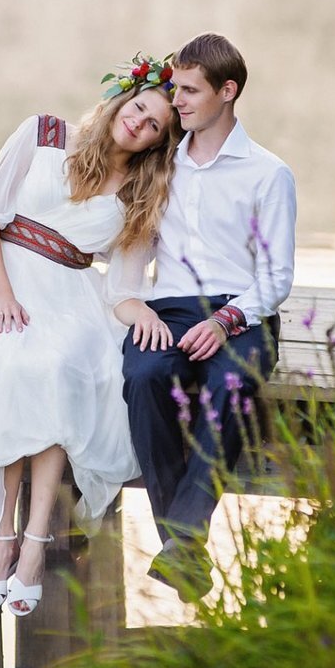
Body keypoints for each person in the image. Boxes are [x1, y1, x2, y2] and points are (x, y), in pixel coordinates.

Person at [0, 53, 184, 627]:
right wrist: (3, 293)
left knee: (61, 366)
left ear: (160, 141)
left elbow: (125, 287)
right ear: (121, 101)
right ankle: (1, 538)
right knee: (13, 364)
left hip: (75, 300)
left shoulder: (139, 191)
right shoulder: (43, 136)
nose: (139, 123)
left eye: (155, 125)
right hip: (5, 284)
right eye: (139, 108)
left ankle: (33, 546)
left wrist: (146, 317)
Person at [122, 32, 298, 601]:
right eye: (175, 90)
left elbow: (275, 279)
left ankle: (179, 544)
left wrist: (225, 322)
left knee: (230, 384)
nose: (177, 103)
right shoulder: (159, 166)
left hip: (241, 314)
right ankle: (187, 548)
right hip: (167, 309)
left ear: (229, 91)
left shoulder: (269, 174)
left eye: (190, 91)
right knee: (144, 377)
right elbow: (131, 253)